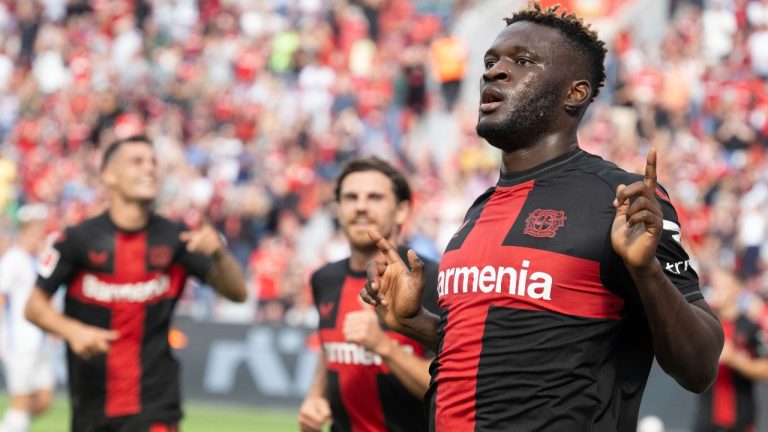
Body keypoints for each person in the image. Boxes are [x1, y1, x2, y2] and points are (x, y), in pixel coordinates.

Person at [362, 3, 724, 431]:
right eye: (491, 61)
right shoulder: (478, 209)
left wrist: (646, 272)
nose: (494, 72)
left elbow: (699, 367)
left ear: (576, 93)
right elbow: (511, 352)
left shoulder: (621, 199)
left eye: (523, 61)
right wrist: (415, 323)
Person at [24, 135, 247, 432]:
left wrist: (219, 254)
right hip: (92, 405)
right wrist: (72, 331)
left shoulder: (176, 238)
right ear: (109, 175)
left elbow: (237, 293)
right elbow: (34, 307)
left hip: (156, 403)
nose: (149, 169)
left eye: (153, 162)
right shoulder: (76, 240)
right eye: (137, 161)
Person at [298, 157, 439, 432]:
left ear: (401, 211)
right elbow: (329, 349)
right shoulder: (323, 279)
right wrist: (315, 397)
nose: (360, 207)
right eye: (350, 198)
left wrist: (384, 347)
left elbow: (450, 387)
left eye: (374, 197)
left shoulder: (432, 279)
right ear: (338, 209)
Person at [0, 204, 55, 432]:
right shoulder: (13, 258)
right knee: (21, 402)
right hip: (18, 341)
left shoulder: (37, 259)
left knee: (44, 399)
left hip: (38, 340)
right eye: (36, 227)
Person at [694, 268, 768, 432]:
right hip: (706, 421)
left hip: (741, 420)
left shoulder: (750, 326)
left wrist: (734, 358)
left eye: (722, 286)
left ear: (737, 288)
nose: (716, 291)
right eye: (714, 286)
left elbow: (765, 369)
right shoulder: (705, 322)